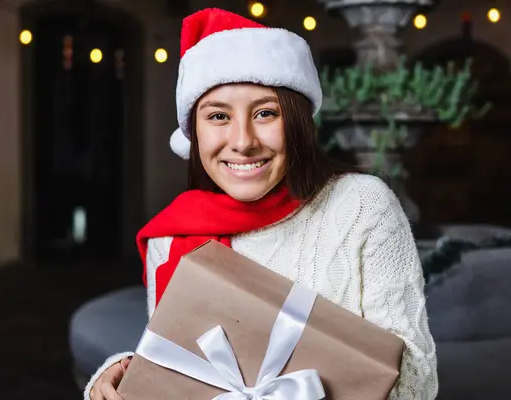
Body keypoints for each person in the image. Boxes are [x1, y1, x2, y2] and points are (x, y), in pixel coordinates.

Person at [86, 7, 438, 400]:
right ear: (194, 132)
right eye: (218, 116)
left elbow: (417, 380)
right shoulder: (171, 240)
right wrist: (120, 375)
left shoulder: (362, 207)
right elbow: (179, 363)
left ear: (298, 122)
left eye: (265, 113)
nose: (243, 141)